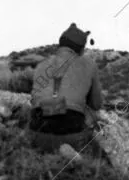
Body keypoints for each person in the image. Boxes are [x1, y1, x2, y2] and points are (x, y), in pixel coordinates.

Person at [28, 23, 103, 157]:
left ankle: (50, 149)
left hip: (37, 134)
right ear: (80, 49)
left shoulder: (41, 65)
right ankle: (79, 157)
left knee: (51, 104)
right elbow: (97, 104)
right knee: (91, 114)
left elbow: (35, 99)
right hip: (71, 135)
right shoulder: (89, 64)